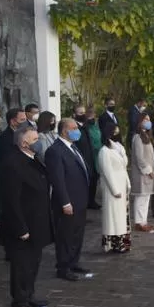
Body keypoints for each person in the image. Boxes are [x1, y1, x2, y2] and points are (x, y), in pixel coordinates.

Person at [1, 127, 53, 307]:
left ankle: (29, 294)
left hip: (37, 221)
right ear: (24, 142)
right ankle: (20, 299)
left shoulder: (33, 158)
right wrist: (20, 227)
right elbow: (11, 199)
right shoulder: (13, 163)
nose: (38, 141)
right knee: (22, 264)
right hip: (23, 224)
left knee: (33, 262)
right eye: (34, 138)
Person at [45, 118, 93, 282]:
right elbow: (57, 179)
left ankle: (74, 261)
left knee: (77, 233)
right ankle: (63, 267)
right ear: (65, 130)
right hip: (67, 202)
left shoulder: (73, 147)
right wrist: (65, 202)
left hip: (80, 199)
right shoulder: (55, 151)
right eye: (74, 128)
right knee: (65, 235)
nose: (77, 131)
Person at [97, 124, 131, 253]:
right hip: (112, 188)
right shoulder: (104, 151)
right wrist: (114, 189)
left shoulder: (119, 148)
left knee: (122, 217)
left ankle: (122, 242)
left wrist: (127, 183)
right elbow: (107, 172)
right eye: (114, 132)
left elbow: (123, 167)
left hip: (122, 184)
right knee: (113, 217)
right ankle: (112, 244)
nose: (117, 134)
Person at [130, 113, 154, 234]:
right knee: (141, 198)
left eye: (149, 119)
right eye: (145, 119)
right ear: (140, 121)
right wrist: (148, 170)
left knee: (146, 198)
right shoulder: (137, 137)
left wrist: (153, 170)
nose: (148, 121)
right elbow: (139, 158)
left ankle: (144, 221)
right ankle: (139, 222)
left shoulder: (146, 136)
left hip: (149, 173)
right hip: (142, 173)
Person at [83, 106, 103, 210]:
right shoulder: (85, 126)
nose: (92, 115)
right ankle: (87, 200)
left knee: (95, 178)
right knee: (90, 179)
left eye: (93, 113)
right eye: (89, 113)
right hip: (90, 154)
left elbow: (99, 136)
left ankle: (92, 200)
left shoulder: (96, 124)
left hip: (98, 154)